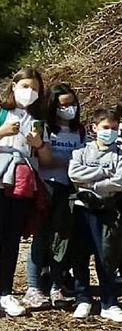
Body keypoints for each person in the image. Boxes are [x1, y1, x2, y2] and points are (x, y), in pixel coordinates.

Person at [22, 84, 86, 309]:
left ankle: (57, 285)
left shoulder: (80, 131)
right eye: (63, 105)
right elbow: (44, 160)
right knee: (41, 237)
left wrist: (72, 164)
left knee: (63, 238)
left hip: (70, 189)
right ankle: (33, 286)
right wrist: (73, 162)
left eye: (72, 103)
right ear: (53, 106)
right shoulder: (44, 128)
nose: (68, 108)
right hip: (46, 187)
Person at [66, 108, 122, 322]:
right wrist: (103, 174)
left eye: (114, 128)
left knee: (107, 256)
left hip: (107, 210)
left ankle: (109, 302)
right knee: (80, 255)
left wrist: (91, 183)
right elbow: (74, 174)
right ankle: (83, 298)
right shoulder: (81, 151)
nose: (109, 132)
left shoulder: (121, 154)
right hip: (82, 209)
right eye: (105, 128)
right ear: (94, 128)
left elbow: (120, 182)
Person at [0, 67, 52, 317]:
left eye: (34, 88)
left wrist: (38, 144)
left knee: (11, 239)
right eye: (25, 87)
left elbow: (47, 159)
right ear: (13, 86)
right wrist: (2, 132)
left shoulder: (38, 121)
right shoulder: (2, 113)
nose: (29, 92)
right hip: (1, 180)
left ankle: (6, 292)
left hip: (22, 185)